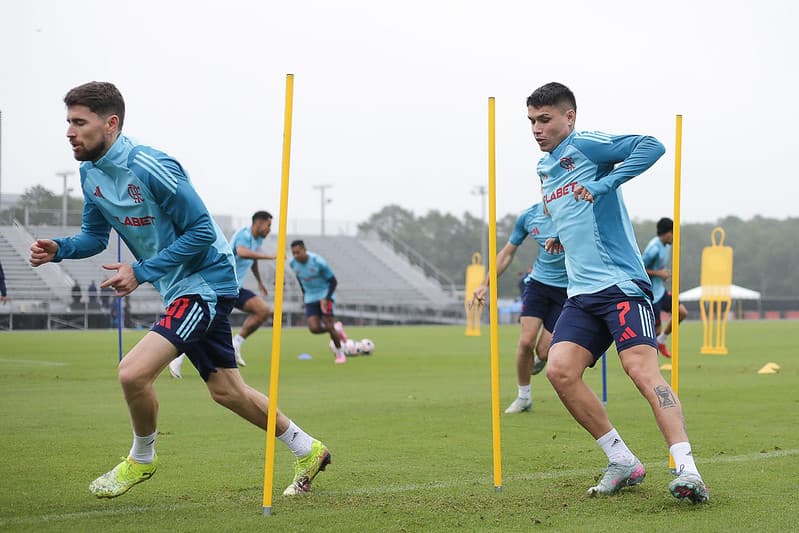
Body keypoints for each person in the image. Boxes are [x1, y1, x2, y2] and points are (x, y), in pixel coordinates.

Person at [29, 81, 330, 499]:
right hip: (178, 286)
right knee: (226, 390)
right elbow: (94, 238)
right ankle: (308, 448)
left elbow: (203, 231)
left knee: (132, 372)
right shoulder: (89, 173)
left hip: (206, 283)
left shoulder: (150, 166)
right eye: (68, 122)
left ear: (111, 124)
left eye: (79, 122)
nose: (69, 132)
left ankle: (141, 459)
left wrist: (143, 271)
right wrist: (59, 249)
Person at [527, 82, 708, 503]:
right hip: (581, 295)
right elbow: (561, 207)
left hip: (622, 287)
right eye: (532, 122)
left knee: (642, 372)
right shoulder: (545, 168)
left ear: (569, 118)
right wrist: (556, 234)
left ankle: (688, 470)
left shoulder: (587, 144)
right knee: (559, 370)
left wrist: (607, 184)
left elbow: (651, 146)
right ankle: (623, 460)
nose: (537, 129)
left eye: (545, 119)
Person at [471, 202, 567, 414]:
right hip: (538, 285)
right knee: (525, 342)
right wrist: (485, 285)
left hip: (567, 289)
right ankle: (524, 397)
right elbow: (506, 253)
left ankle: (539, 359)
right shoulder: (528, 217)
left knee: (543, 352)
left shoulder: (573, 211)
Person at [169, 211, 276, 377]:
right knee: (206, 325)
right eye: (268, 225)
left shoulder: (257, 239)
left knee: (263, 311)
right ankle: (178, 356)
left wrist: (260, 281)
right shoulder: (244, 234)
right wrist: (269, 257)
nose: (270, 229)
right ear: (259, 223)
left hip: (236, 289)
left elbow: (251, 260)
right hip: (222, 286)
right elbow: (242, 252)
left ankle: (236, 343)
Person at [289, 240, 348, 364]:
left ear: (305, 250)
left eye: (298, 252)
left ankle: (340, 354)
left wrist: (326, 298)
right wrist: (305, 295)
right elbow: (300, 278)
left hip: (324, 294)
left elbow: (333, 282)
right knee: (314, 328)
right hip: (310, 298)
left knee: (328, 324)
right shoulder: (293, 263)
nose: (295, 256)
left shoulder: (318, 262)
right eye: (293, 253)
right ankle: (337, 329)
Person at [641, 217, 688, 358]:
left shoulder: (666, 246)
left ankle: (662, 340)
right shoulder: (653, 249)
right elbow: (640, 269)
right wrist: (659, 273)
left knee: (682, 312)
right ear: (668, 233)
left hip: (661, 291)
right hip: (652, 296)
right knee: (654, 332)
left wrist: (663, 274)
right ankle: (651, 364)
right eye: (674, 233)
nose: (675, 237)